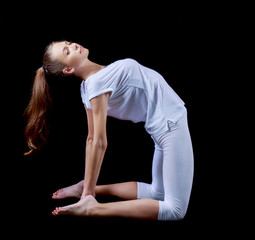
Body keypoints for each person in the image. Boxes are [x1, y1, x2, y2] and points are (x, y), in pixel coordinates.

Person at [24, 41, 194, 220]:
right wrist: (87, 197)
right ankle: (93, 208)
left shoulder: (88, 86)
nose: (73, 45)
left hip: (161, 128)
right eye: (67, 51)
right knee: (175, 210)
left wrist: (88, 188)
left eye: (69, 43)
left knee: (157, 192)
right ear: (68, 70)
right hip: (170, 124)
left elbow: (90, 140)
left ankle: (86, 190)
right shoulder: (96, 84)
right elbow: (97, 141)